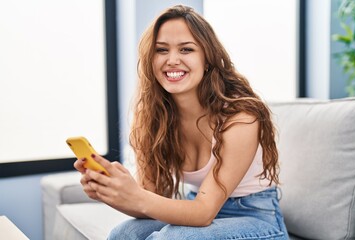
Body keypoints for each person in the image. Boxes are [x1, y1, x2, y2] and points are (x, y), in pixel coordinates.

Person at [74, 4, 289, 240]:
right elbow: (147, 202)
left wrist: (135, 195)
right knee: (124, 234)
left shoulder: (241, 118)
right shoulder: (153, 116)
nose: (172, 60)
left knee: (173, 238)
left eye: (186, 50)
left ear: (206, 58)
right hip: (199, 209)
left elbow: (204, 212)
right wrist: (113, 192)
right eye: (161, 50)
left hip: (257, 218)